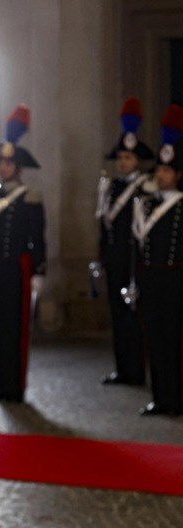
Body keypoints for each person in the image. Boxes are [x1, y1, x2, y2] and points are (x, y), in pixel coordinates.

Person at [0, 104, 46, 404]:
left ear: (18, 167)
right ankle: (1, 385)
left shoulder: (30, 197)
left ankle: (15, 388)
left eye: (8, 163)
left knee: (15, 329)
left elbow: (37, 237)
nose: (3, 168)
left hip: (18, 270)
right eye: (1, 163)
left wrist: (39, 271)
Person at [96, 97, 152, 387]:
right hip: (115, 259)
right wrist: (102, 256)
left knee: (135, 318)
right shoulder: (111, 187)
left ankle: (136, 371)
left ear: (137, 160)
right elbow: (104, 225)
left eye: (128, 158)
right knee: (117, 316)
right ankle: (121, 369)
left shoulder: (145, 188)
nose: (123, 162)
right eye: (120, 157)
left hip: (135, 261)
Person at [132, 103, 183, 417]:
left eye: (167, 171)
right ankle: (160, 397)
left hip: (175, 280)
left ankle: (176, 398)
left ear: (177, 175)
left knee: (174, 340)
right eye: (159, 171)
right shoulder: (147, 206)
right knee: (154, 338)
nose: (161, 176)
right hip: (151, 279)